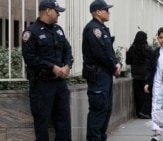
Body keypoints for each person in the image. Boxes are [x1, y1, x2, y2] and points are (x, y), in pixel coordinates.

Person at [21, 0, 74, 141]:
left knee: (64, 121)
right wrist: (52, 67)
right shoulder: (31, 32)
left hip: (60, 84)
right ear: (48, 11)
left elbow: (68, 50)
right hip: (42, 85)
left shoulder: (58, 30)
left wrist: (67, 65)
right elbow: (30, 58)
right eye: (57, 11)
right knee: (42, 123)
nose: (59, 15)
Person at [81, 0, 122, 141]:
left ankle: (100, 138)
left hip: (105, 74)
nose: (109, 12)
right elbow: (100, 54)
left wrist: (117, 64)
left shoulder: (102, 29)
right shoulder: (93, 29)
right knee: (99, 109)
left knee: (106, 109)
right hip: (98, 75)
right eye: (106, 9)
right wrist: (113, 67)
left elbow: (109, 51)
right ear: (98, 12)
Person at [144, 27, 163, 141]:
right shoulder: (155, 53)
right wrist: (147, 83)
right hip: (157, 83)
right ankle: (157, 133)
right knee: (156, 107)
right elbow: (150, 69)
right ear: (157, 38)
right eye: (160, 37)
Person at [126, 31, 153, 119]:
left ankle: (139, 112)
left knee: (138, 94)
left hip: (136, 74)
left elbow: (128, 61)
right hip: (146, 74)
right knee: (147, 93)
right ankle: (146, 111)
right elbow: (152, 61)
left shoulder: (132, 49)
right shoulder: (148, 49)